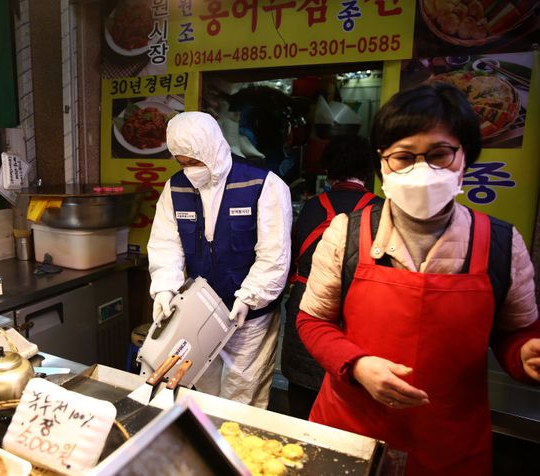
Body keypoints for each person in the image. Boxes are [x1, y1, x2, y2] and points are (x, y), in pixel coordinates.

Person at [296, 83, 540, 475]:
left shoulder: (501, 243)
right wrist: (356, 364)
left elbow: (517, 331)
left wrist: (523, 355)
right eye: (404, 157)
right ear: (382, 163)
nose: (421, 170)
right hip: (350, 435)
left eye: (439, 154)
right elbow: (313, 320)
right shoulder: (346, 232)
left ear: (465, 157)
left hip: (450, 447)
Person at [148, 111, 292, 408]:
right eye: (182, 162)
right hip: (199, 314)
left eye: (195, 161)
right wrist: (164, 288)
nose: (189, 170)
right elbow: (166, 244)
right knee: (202, 387)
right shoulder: (175, 188)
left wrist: (250, 297)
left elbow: (273, 253)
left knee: (243, 393)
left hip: (250, 316)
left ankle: (237, 452)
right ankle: (209, 445)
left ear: (213, 149)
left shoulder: (263, 185)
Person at [282, 135, 383, 419]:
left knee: (303, 403)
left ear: (329, 170)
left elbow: (290, 259)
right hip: (358, 310)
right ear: (369, 170)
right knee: (349, 399)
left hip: (306, 307)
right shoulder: (381, 209)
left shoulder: (313, 207)